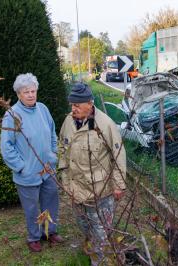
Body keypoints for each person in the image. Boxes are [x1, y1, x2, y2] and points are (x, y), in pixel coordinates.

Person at [59, 82, 126, 265]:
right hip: (76, 189)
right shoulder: (68, 122)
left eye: (77, 105)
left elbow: (118, 155)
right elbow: (63, 152)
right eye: (71, 105)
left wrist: (119, 184)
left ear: (90, 103)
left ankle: (102, 261)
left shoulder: (105, 125)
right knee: (85, 227)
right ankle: (94, 253)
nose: (73, 109)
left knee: (102, 231)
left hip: (100, 191)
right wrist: (66, 183)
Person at [0, 73, 63, 252]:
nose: (31, 95)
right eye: (26, 92)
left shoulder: (43, 109)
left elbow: (51, 132)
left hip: (47, 169)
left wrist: (53, 155)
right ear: (19, 94)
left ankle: (49, 232)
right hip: (27, 174)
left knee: (50, 202)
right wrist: (22, 167)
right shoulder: (12, 115)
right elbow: (7, 146)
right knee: (31, 208)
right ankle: (34, 237)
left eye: (33, 91)